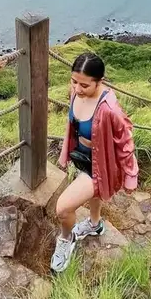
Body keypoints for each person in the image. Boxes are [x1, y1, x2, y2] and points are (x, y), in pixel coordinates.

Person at [50, 52, 139, 273]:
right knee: (94, 194)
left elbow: (126, 142)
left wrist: (130, 176)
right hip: (81, 157)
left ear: (100, 81)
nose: (77, 89)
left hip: (99, 165)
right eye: (74, 81)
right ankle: (94, 224)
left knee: (63, 209)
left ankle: (66, 239)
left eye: (84, 85)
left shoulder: (110, 109)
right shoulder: (75, 92)